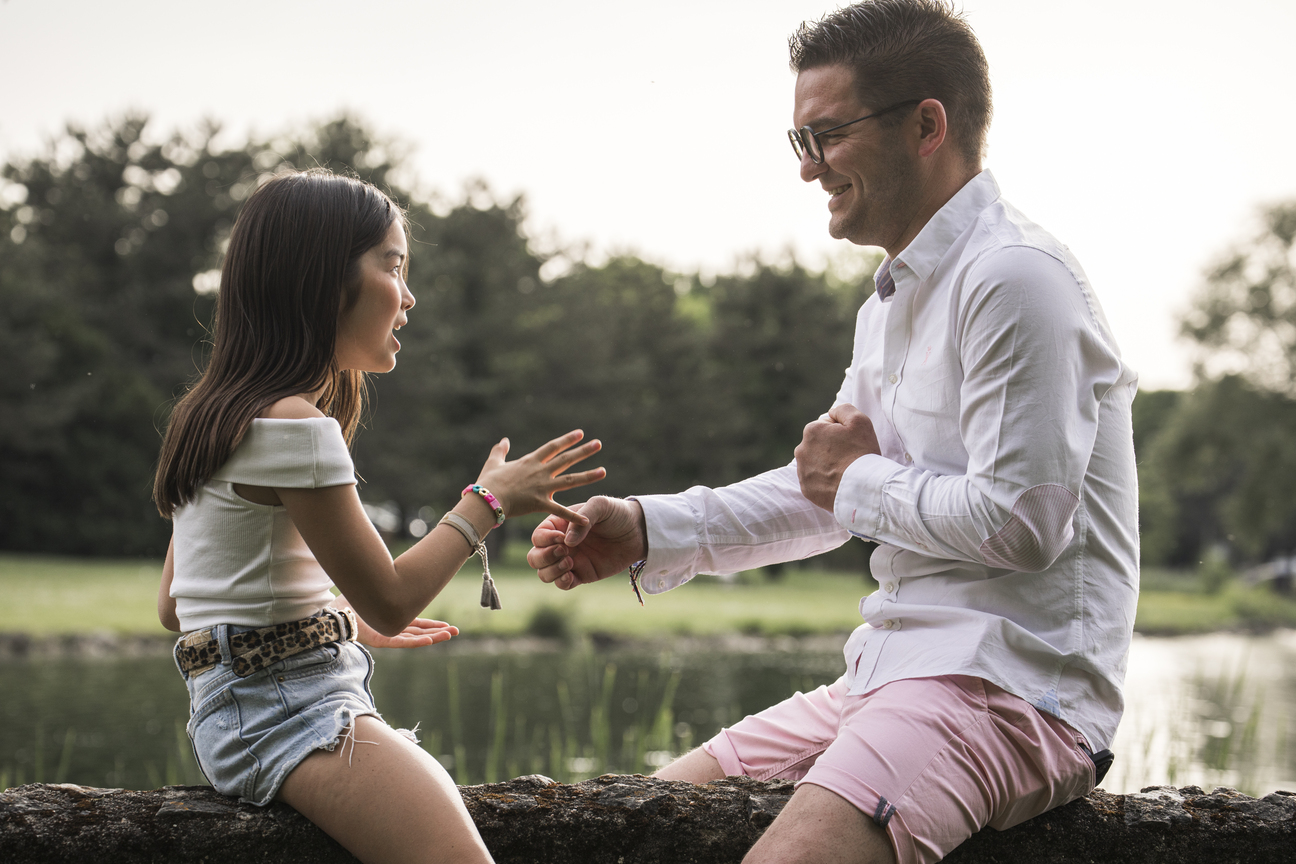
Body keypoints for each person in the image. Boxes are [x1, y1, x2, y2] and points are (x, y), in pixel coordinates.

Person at [527, 2, 1139, 863]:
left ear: (927, 125)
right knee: (637, 829)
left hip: (1006, 690)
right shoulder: (888, 307)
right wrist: (645, 529)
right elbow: (825, 493)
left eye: (828, 136)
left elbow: (1023, 522)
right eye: (799, 143)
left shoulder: (1015, 281)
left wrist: (855, 480)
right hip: (882, 679)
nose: (809, 169)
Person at [153, 168, 604, 864]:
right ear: (323, 281)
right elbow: (392, 601)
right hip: (290, 712)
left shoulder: (208, 417)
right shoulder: (296, 428)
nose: (408, 295)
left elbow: (176, 606)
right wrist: (488, 503)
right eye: (392, 266)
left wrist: (328, 624)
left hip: (234, 712)